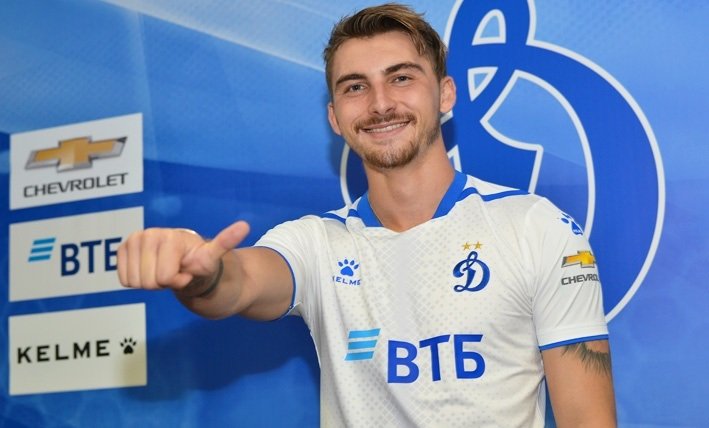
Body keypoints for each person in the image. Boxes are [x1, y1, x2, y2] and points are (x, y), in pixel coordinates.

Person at [118, 3, 616, 426]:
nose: (380, 104)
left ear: (445, 93)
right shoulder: (316, 242)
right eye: (355, 87)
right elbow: (238, 283)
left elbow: (588, 419)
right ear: (334, 116)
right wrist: (199, 274)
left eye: (401, 78)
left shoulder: (535, 227)